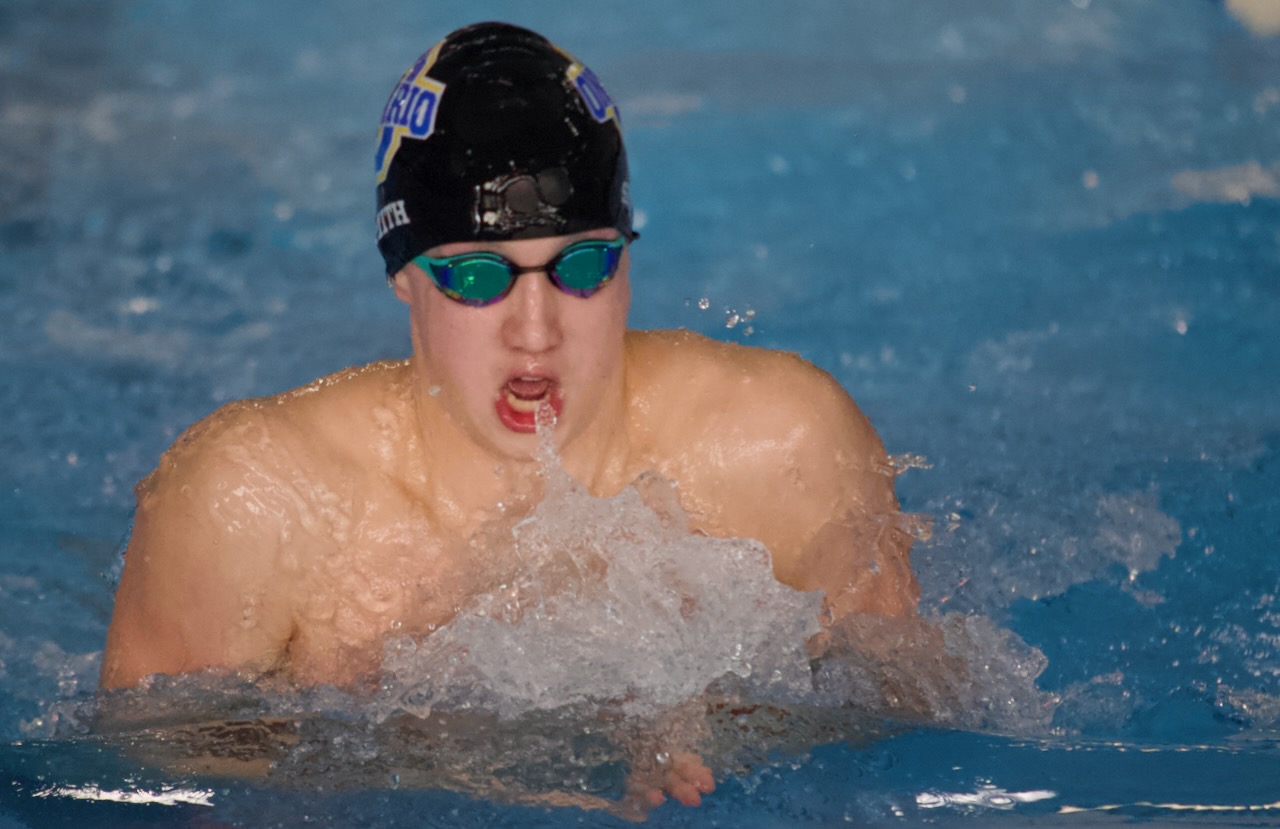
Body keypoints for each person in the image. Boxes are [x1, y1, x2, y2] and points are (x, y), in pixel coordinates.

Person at [100, 21, 919, 809]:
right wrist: (472, 767)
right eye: (480, 277)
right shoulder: (254, 502)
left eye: (583, 266)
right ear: (403, 271)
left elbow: (915, 718)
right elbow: (162, 791)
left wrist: (714, 731)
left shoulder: (780, 443)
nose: (536, 331)